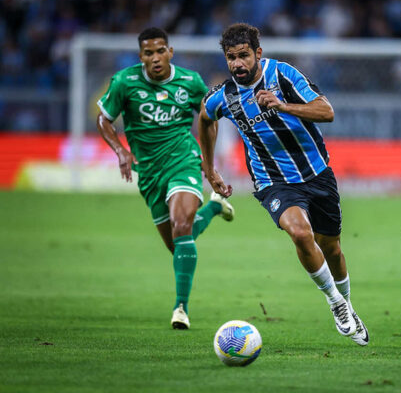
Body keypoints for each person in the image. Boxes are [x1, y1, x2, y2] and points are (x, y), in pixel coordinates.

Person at [198, 23, 369, 345]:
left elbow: (327, 111)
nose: (238, 64)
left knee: (331, 248)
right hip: (273, 181)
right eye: (231, 57)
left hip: (318, 174)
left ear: (258, 54)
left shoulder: (283, 75)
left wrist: (282, 105)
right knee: (300, 232)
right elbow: (205, 119)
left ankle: (347, 303)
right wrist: (210, 169)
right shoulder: (224, 97)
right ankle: (336, 305)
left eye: (244, 56)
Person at [96, 27, 234, 329]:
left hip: (183, 160)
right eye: (149, 53)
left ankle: (180, 308)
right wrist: (120, 150)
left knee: (182, 225)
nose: (155, 58)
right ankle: (213, 208)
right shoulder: (124, 82)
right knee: (178, 243)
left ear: (170, 52)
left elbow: (207, 119)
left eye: (161, 51)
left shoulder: (190, 82)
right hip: (148, 171)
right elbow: (104, 119)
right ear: (141, 56)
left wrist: (209, 167)